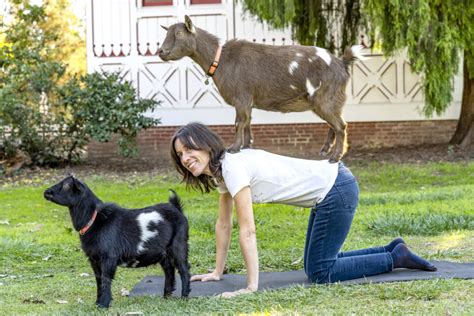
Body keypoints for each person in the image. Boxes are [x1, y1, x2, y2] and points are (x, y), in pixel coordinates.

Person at [170, 122, 437, 298]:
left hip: (336, 189)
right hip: (329, 190)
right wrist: (217, 272)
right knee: (316, 267)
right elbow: (223, 224)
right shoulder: (222, 172)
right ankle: (392, 250)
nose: (185, 158)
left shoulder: (231, 167)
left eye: (189, 149)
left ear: (206, 144)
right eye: (180, 154)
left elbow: (247, 230)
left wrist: (251, 286)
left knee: (322, 272)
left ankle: (396, 259)